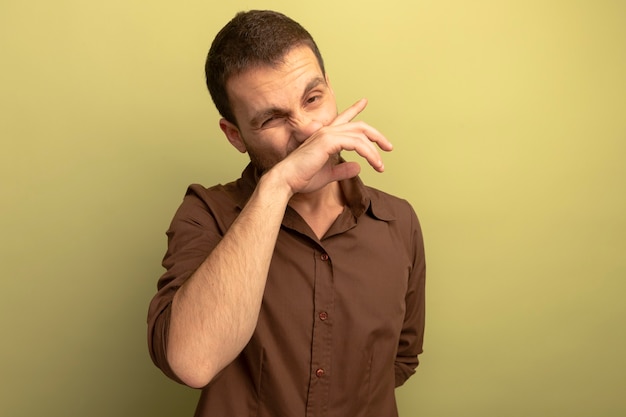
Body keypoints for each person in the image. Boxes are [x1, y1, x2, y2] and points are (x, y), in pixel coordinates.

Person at [147, 9, 426, 417]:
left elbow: (400, 361)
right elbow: (192, 362)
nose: (309, 131)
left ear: (331, 89)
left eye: (313, 99)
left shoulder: (399, 223)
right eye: (272, 118)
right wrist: (278, 185)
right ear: (235, 135)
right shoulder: (205, 215)